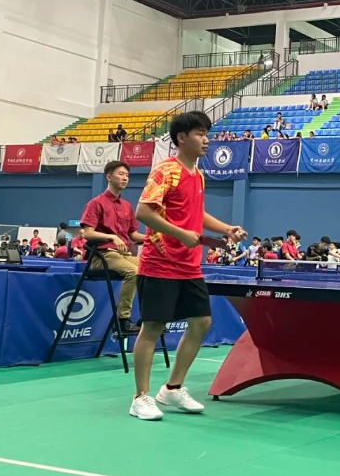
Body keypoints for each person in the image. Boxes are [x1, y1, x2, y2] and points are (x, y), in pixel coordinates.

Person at [131, 111, 247, 421]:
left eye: (207, 133)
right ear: (182, 138)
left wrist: (226, 229)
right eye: (200, 133)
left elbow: (197, 213)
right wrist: (181, 234)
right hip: (159, 263)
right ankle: (140, 397)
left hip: (189, 265)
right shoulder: (165, 171)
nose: (207, 139)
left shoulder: (198, 175)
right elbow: (143, 212)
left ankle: (172, 388)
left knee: (201, 322)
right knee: (152, 328)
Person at [81, 161, 146, 334]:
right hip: (102, 256)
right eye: (121, 174)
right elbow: (87, 233)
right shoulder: (96, 203)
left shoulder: (127, 206)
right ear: (109, 177)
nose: (125, 178)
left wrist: (153, 238)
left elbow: (133, 235)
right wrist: (111, 237)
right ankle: (122, 321)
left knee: (152, 270)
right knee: (134, 272)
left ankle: (149, 318)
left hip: (123, 255)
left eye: (127, 175)